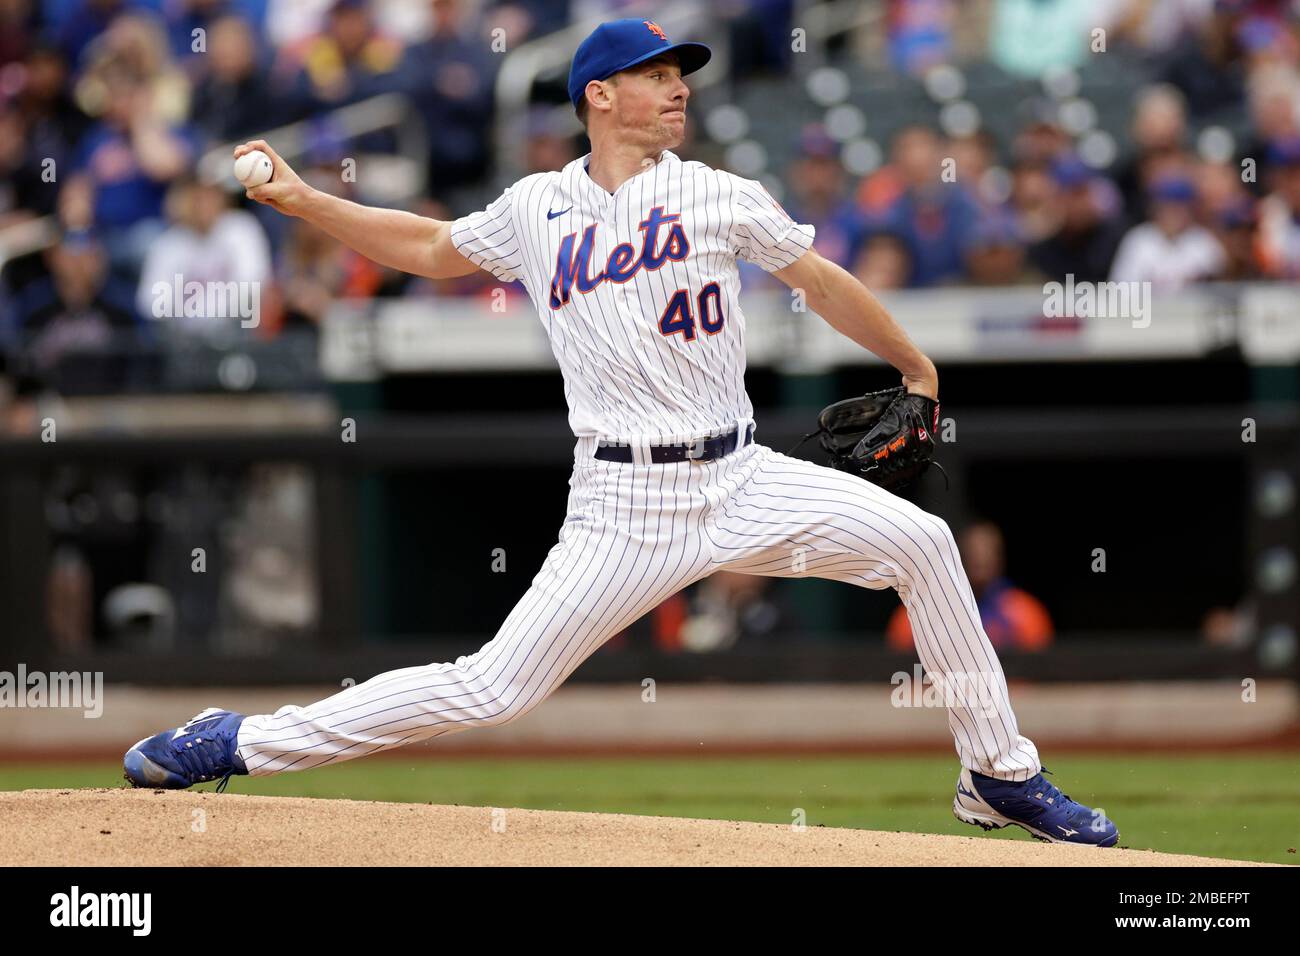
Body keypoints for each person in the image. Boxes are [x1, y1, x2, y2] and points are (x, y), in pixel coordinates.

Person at [123, 17, 1119, 847]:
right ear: (600, 95)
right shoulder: (537, 208)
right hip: (619, 504)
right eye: (655, 74)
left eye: (680, 73)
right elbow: (428, 246)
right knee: (489, 688)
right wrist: (302, 197)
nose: (677, 87)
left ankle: (997, 771)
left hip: (740, 476)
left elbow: (816, 280)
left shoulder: (718, 193)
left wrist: (914, 365)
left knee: (926, 541)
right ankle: (240, 739)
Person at [886, 521, 1053, 653]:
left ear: (1000, 559)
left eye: (988, 553)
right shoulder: (920, 610)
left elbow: (1043, 675)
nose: (980, 560)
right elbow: (894, 671)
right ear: (959, 557)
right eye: (973, 553)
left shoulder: (1026, 612)